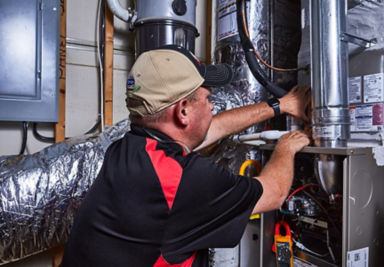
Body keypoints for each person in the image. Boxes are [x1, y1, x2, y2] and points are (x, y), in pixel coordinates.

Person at [60, 45, 310, 267]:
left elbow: (213, 129)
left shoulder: (128, 148)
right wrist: (286, 147)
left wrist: (280, 105)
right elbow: (274, 193)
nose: (212, 106)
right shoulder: (183, 181)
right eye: (207, 98)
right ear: (183, 110)